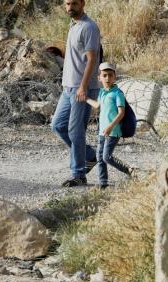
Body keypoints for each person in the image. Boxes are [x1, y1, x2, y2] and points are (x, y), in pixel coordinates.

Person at [51, 0, 100, 187]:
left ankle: (79, 175)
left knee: (75, 130)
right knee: (58, 125)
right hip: (68, 88)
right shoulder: (73, 26)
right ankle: (89, 155)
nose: (70, 6)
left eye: (74, 3)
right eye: (67, 3)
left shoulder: (89, 27)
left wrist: (82, 86)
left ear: (83, 4)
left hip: (82, 88)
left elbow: (91, 60)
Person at [88, 62, 133, 190]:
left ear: (115, 77)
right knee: (99, 158)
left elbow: (121, 113)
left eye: (110, 75)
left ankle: (130, 170)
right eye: (104, 75)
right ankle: (103, 183)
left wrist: (110, 126)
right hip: (102, 131)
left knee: (106, 157)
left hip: (113, 131)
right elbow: (97, 106)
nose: (107, 78)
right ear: (99, 78)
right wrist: (85, 98)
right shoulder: (102, 92)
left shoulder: (117, 93)